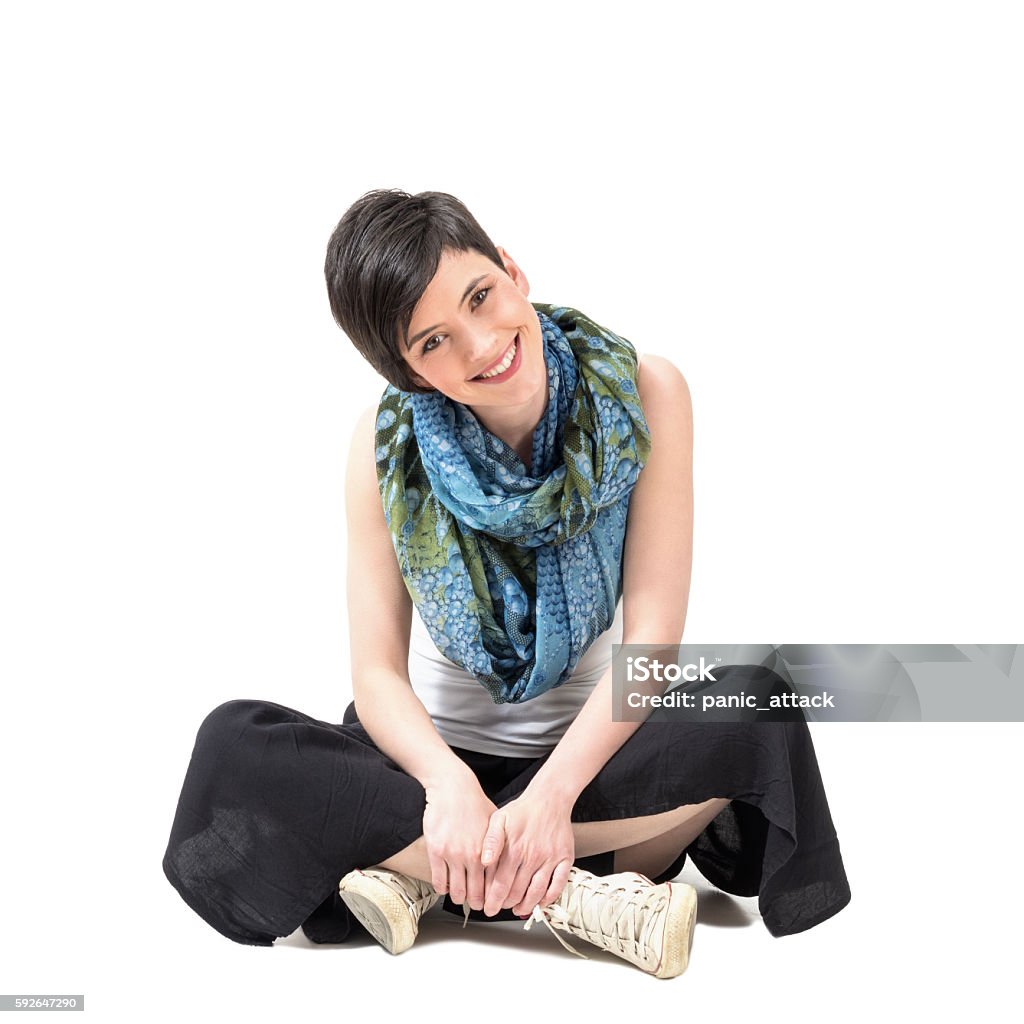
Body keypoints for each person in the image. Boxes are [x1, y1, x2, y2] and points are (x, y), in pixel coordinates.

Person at [162, 190, 851, 979]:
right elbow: (378, 674)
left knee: (757, 702)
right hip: (427, 777)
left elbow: (653, 643)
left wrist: (552, 797)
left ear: (512, 270)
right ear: (409, 373)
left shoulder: (646, 392)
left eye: (482, 296)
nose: (485, 345)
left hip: (593, 770)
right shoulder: (381, 449)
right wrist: (448, 787)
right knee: (232, 744)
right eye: (435, 341)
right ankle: (579, 900)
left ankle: (420, 879)